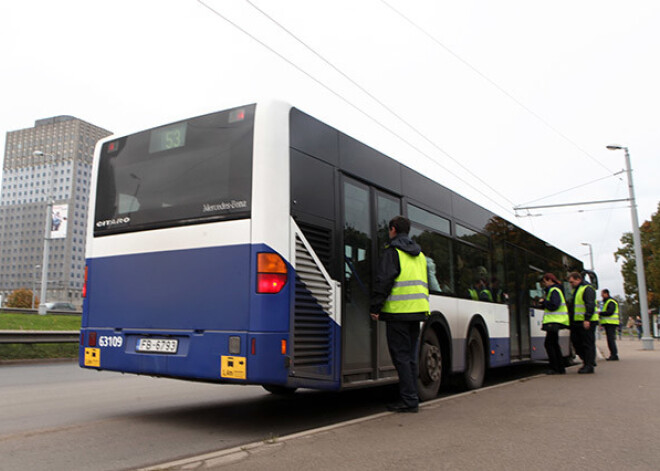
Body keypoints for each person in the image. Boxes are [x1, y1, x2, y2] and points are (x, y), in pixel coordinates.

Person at [370, 216, 429, 413]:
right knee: (410, 357)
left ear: (393, 229)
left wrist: (375, 307)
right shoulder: (420, 255)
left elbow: (384, 280)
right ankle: (412, 397)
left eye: (389, 230)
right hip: (417, 312)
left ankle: (409, 401)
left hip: (398, 313)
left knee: (401, 357)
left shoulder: (393, 251)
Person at [567, 271, 598, 374]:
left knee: (587, 343)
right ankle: (587, 361)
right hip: (577, 321)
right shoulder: (577, 290)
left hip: (586, 321)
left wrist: (587, 319)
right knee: (576, 342)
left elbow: (590, 305)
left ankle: (589, 365)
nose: (571, 284)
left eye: (572, 282)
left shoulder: (587, 289)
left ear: (578, 279)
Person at [539, 273, 569, 374]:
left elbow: (554, 305)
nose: (544, 284)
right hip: (555, 321)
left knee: (549, 344)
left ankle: (555, 367)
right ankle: (560, 368)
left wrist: (544, 302)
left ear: (550, 280)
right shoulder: (557, 289)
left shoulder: (554, 290)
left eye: (545, 281)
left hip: (554, 321)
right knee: (553, 344)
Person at [599, 289, 619, 361]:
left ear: (606, 294)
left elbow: (610, 312)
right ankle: (613, 354)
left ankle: (614, 355)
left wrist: (600, 313)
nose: (601, 296)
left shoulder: (611, 302)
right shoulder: (607, 302)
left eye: (602, 294)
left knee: (611, 340)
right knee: (610, 339)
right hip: (609, 323)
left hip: (611, 323)